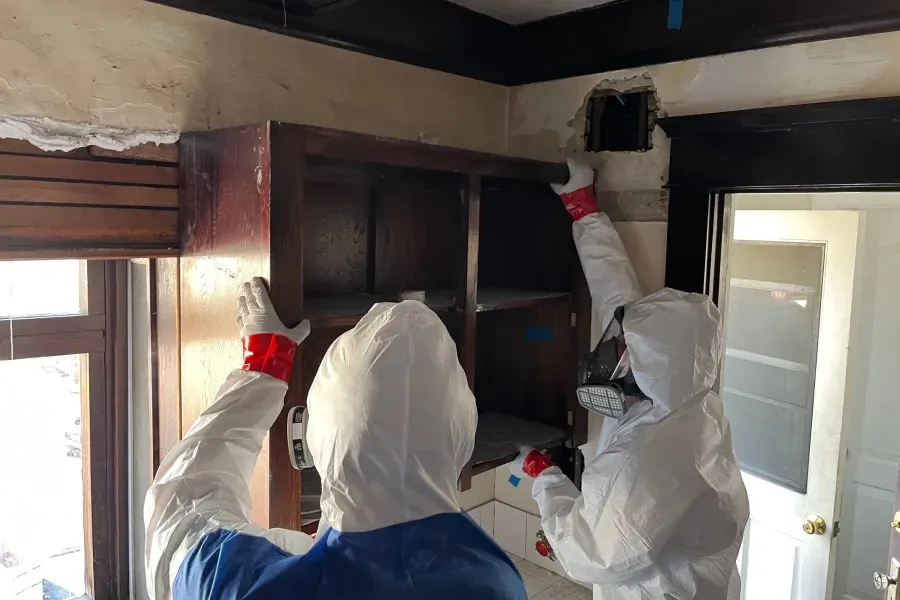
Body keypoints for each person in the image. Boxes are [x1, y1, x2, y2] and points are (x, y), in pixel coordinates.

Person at [145, 278, 527, 600]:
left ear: (321, 437)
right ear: (461, 435)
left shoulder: (264, 589)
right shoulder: (499, 580)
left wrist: (265, 364)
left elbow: (181, 509)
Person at [510, 159, 749, 600]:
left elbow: (589, 554)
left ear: (649, 363)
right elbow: (620, 304)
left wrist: (541, 476)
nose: (608, 350)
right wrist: (583, 211)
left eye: (620, 347)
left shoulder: (651, 460)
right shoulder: (689, 399)